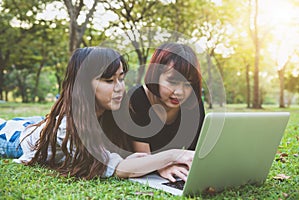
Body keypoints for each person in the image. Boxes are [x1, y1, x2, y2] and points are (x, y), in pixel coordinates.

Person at [0, 47, 194, 180]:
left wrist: (155, 162)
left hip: (39, 123)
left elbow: (130, 156)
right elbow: (120, 168)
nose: (119, 88)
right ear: (84, 85)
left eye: (121, 78)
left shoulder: (114, 112)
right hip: (15, 137)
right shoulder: (67, 127)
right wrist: (174, 155)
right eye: (109, 81)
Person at [110, 43, 205, 182]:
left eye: (187, 84)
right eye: (172, 81)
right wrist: (162, 166)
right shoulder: (137, 99)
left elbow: (196, 154)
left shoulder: (192, 104)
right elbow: (144, 158)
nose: (179, 92)